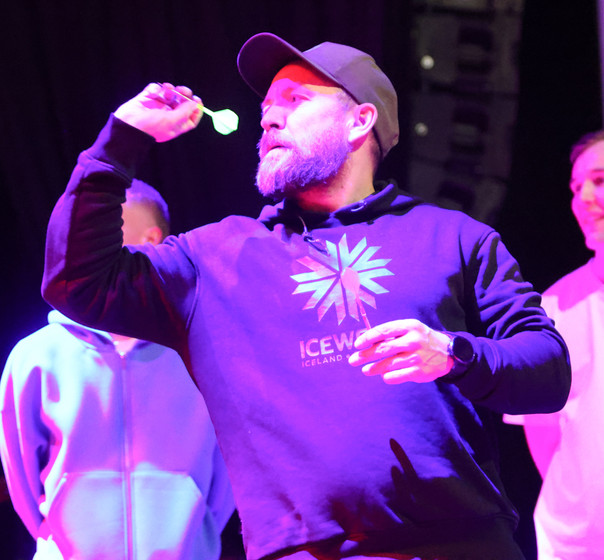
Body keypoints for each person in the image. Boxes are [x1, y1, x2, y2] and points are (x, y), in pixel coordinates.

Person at [41, 32, 571, 560]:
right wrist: (120, 141)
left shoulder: (452, 238)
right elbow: (76, 280)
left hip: (460, 546)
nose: (270, 119)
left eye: (295, 100)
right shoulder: (214, 260)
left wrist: (453, 353)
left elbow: (548, 372)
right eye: (267, 108)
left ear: (360, 120)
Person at [0, 180, 235, 560]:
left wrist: (192, 538)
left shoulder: (204, 355)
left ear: (151, 239)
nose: (82, 251)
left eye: (97, 235)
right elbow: (21, 477)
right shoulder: (37, 355)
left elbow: (227, 474)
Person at [505, 131, 604, 559]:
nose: (583, 198)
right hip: (577, 542)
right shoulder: (552, 308)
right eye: (576, 187)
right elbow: (542, 434)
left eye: (600, 180)